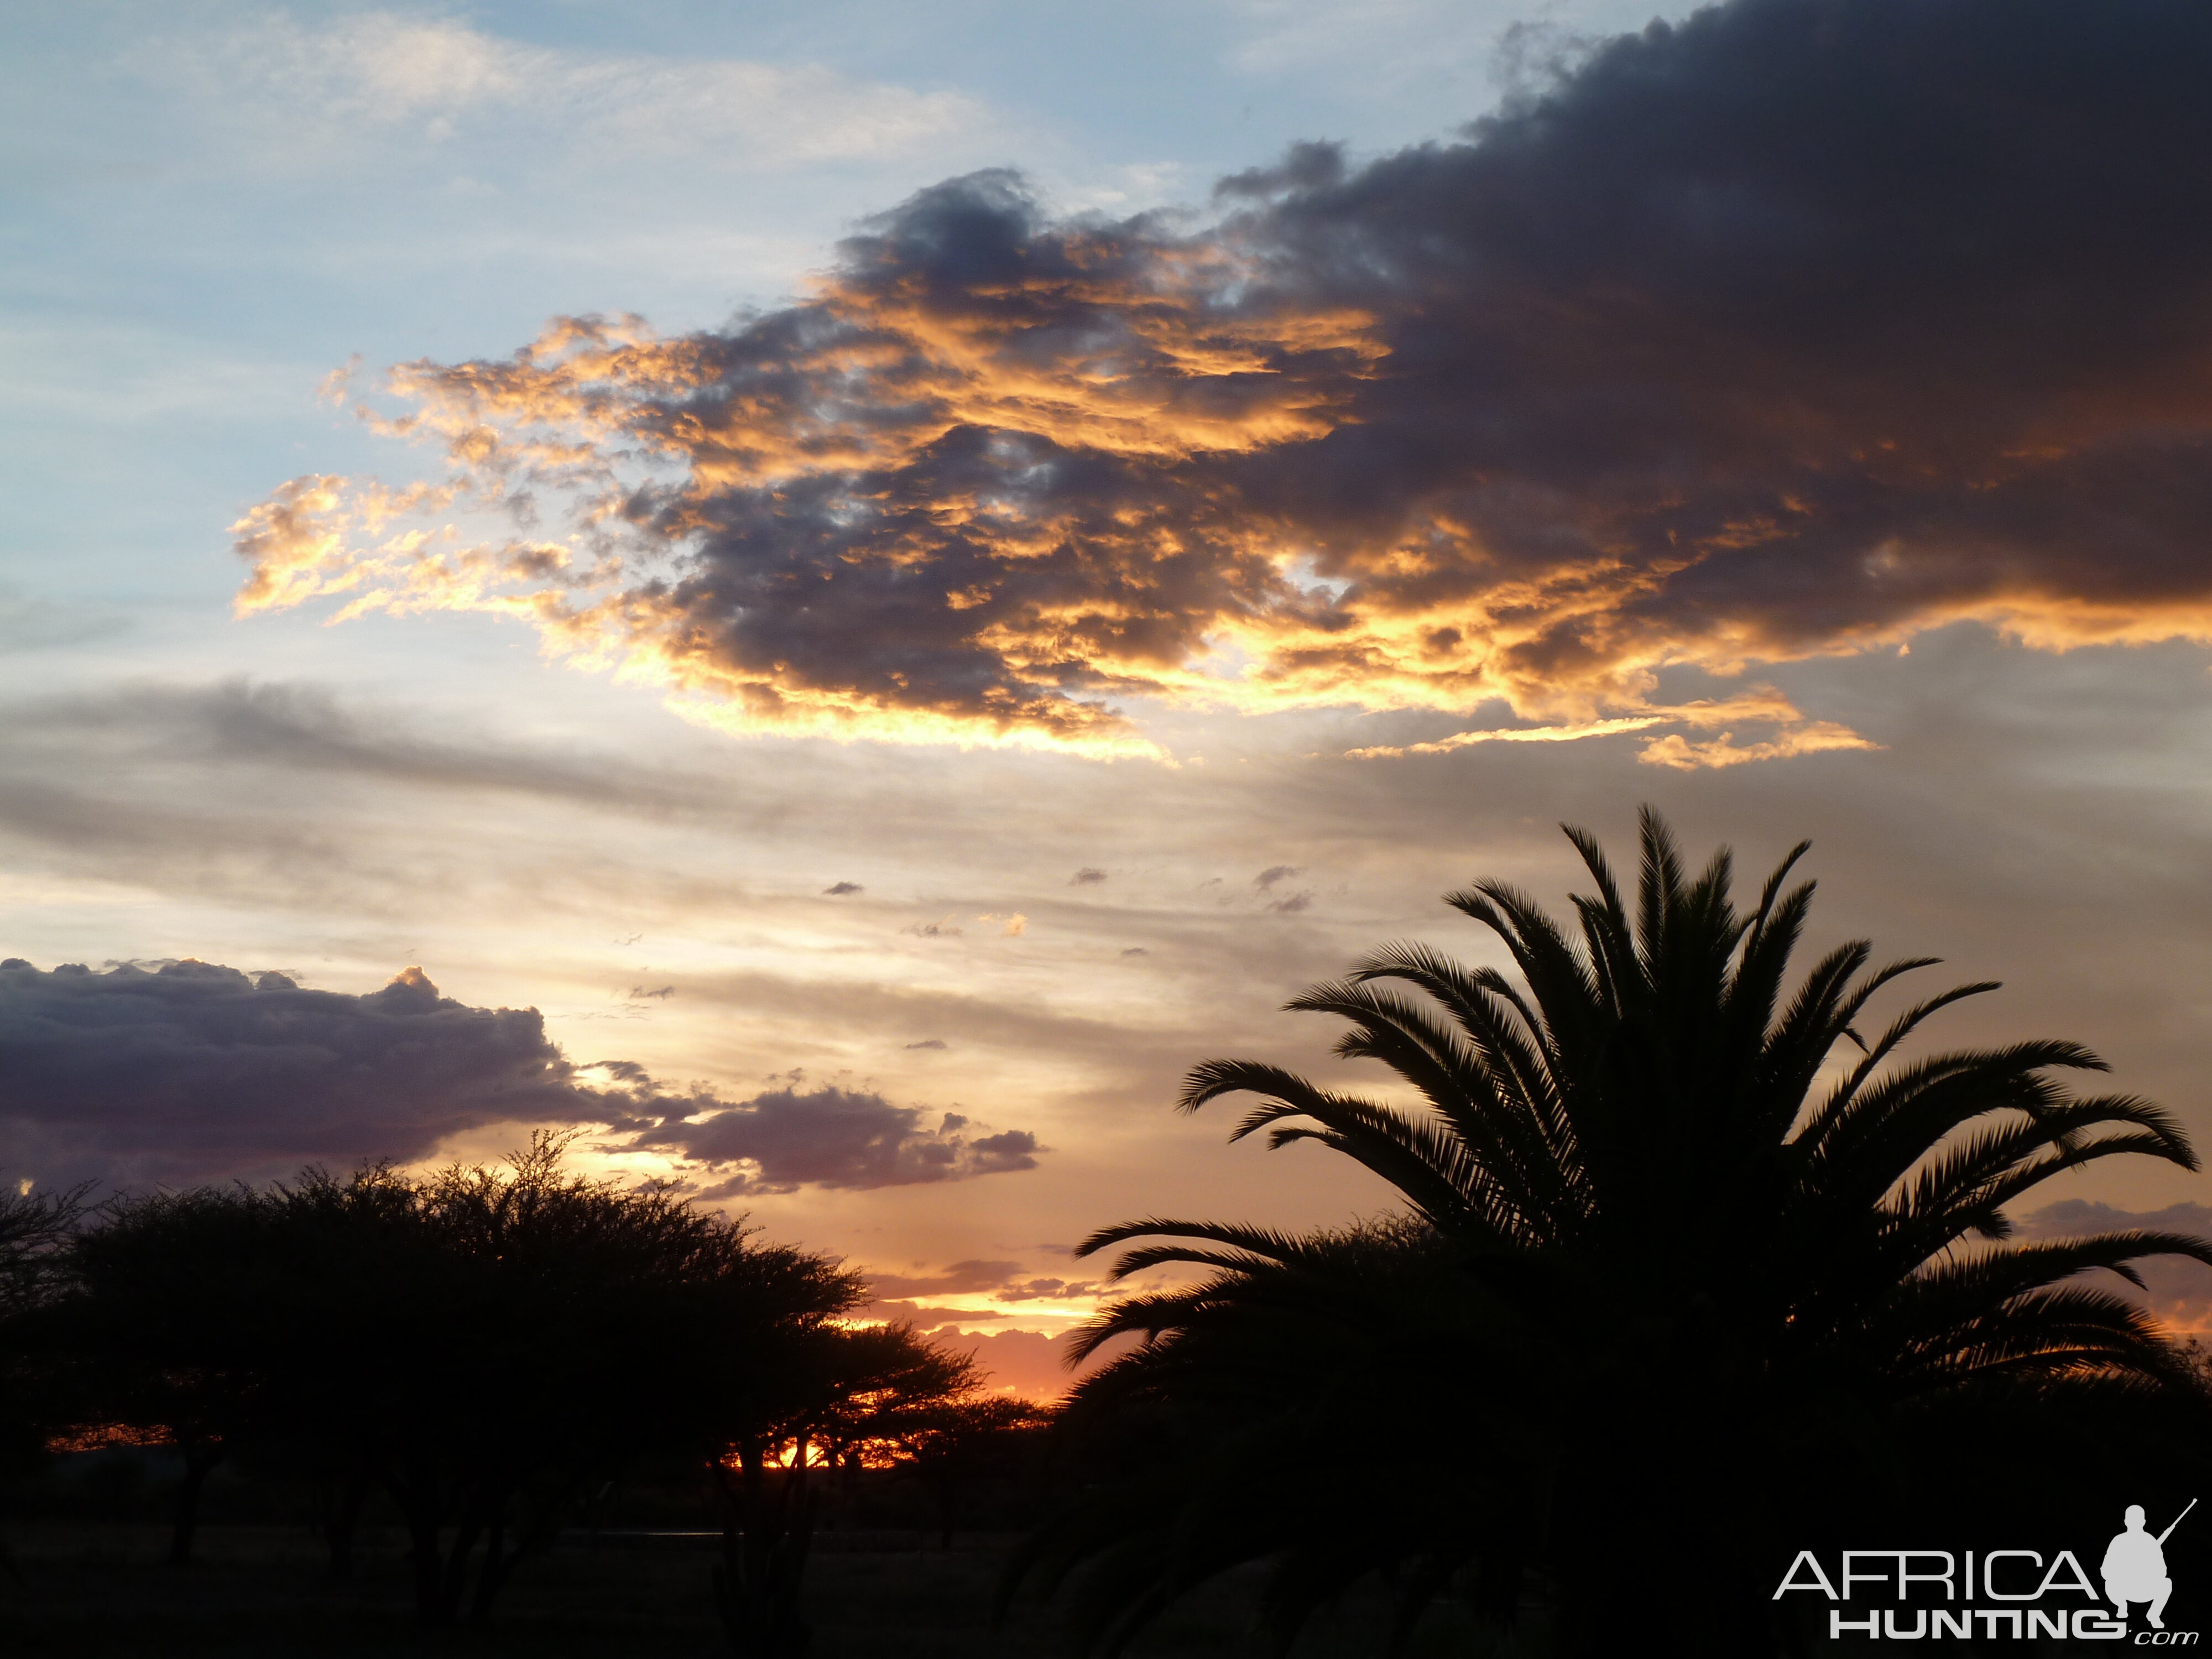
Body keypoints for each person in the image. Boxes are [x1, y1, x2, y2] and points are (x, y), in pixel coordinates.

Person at [2104, 1504, 2174, 1629]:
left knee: (2167, 1583)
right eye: (2132, 1520)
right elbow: (2106, 1571)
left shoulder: (2151, 1542)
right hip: (2123, 1588)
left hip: (2145, 1589)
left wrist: (2145, 1569)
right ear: (2126, 1522)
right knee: (2109, 1583)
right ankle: (2121, 1605)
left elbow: (2163, 1572)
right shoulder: (2118, 1541)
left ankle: (2154, 1615)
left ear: (2143, 1522)